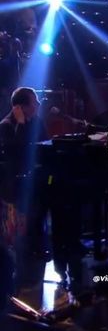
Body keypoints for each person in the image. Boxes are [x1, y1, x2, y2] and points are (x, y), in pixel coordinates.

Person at [0, 87, 48, 262]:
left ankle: (40, 246)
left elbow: (45, 145)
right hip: (15, 181)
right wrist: (21, 124)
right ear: (20, 107)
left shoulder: (36, 121)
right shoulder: (6, 126)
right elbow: (16, 155)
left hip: (36, 176)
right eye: (34, 102)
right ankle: (25, 252)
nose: (38, 105)